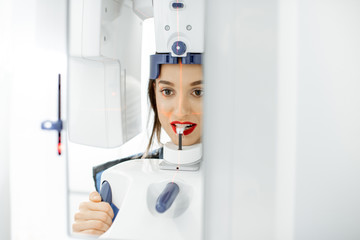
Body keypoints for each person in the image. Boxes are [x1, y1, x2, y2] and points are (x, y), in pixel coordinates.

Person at [72, 62, 203, 236]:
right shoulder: (118, 181)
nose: (180, 111)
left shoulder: (245, 181)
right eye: (167, 91)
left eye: (198, 92)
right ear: (154, 92)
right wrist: (94, 230)